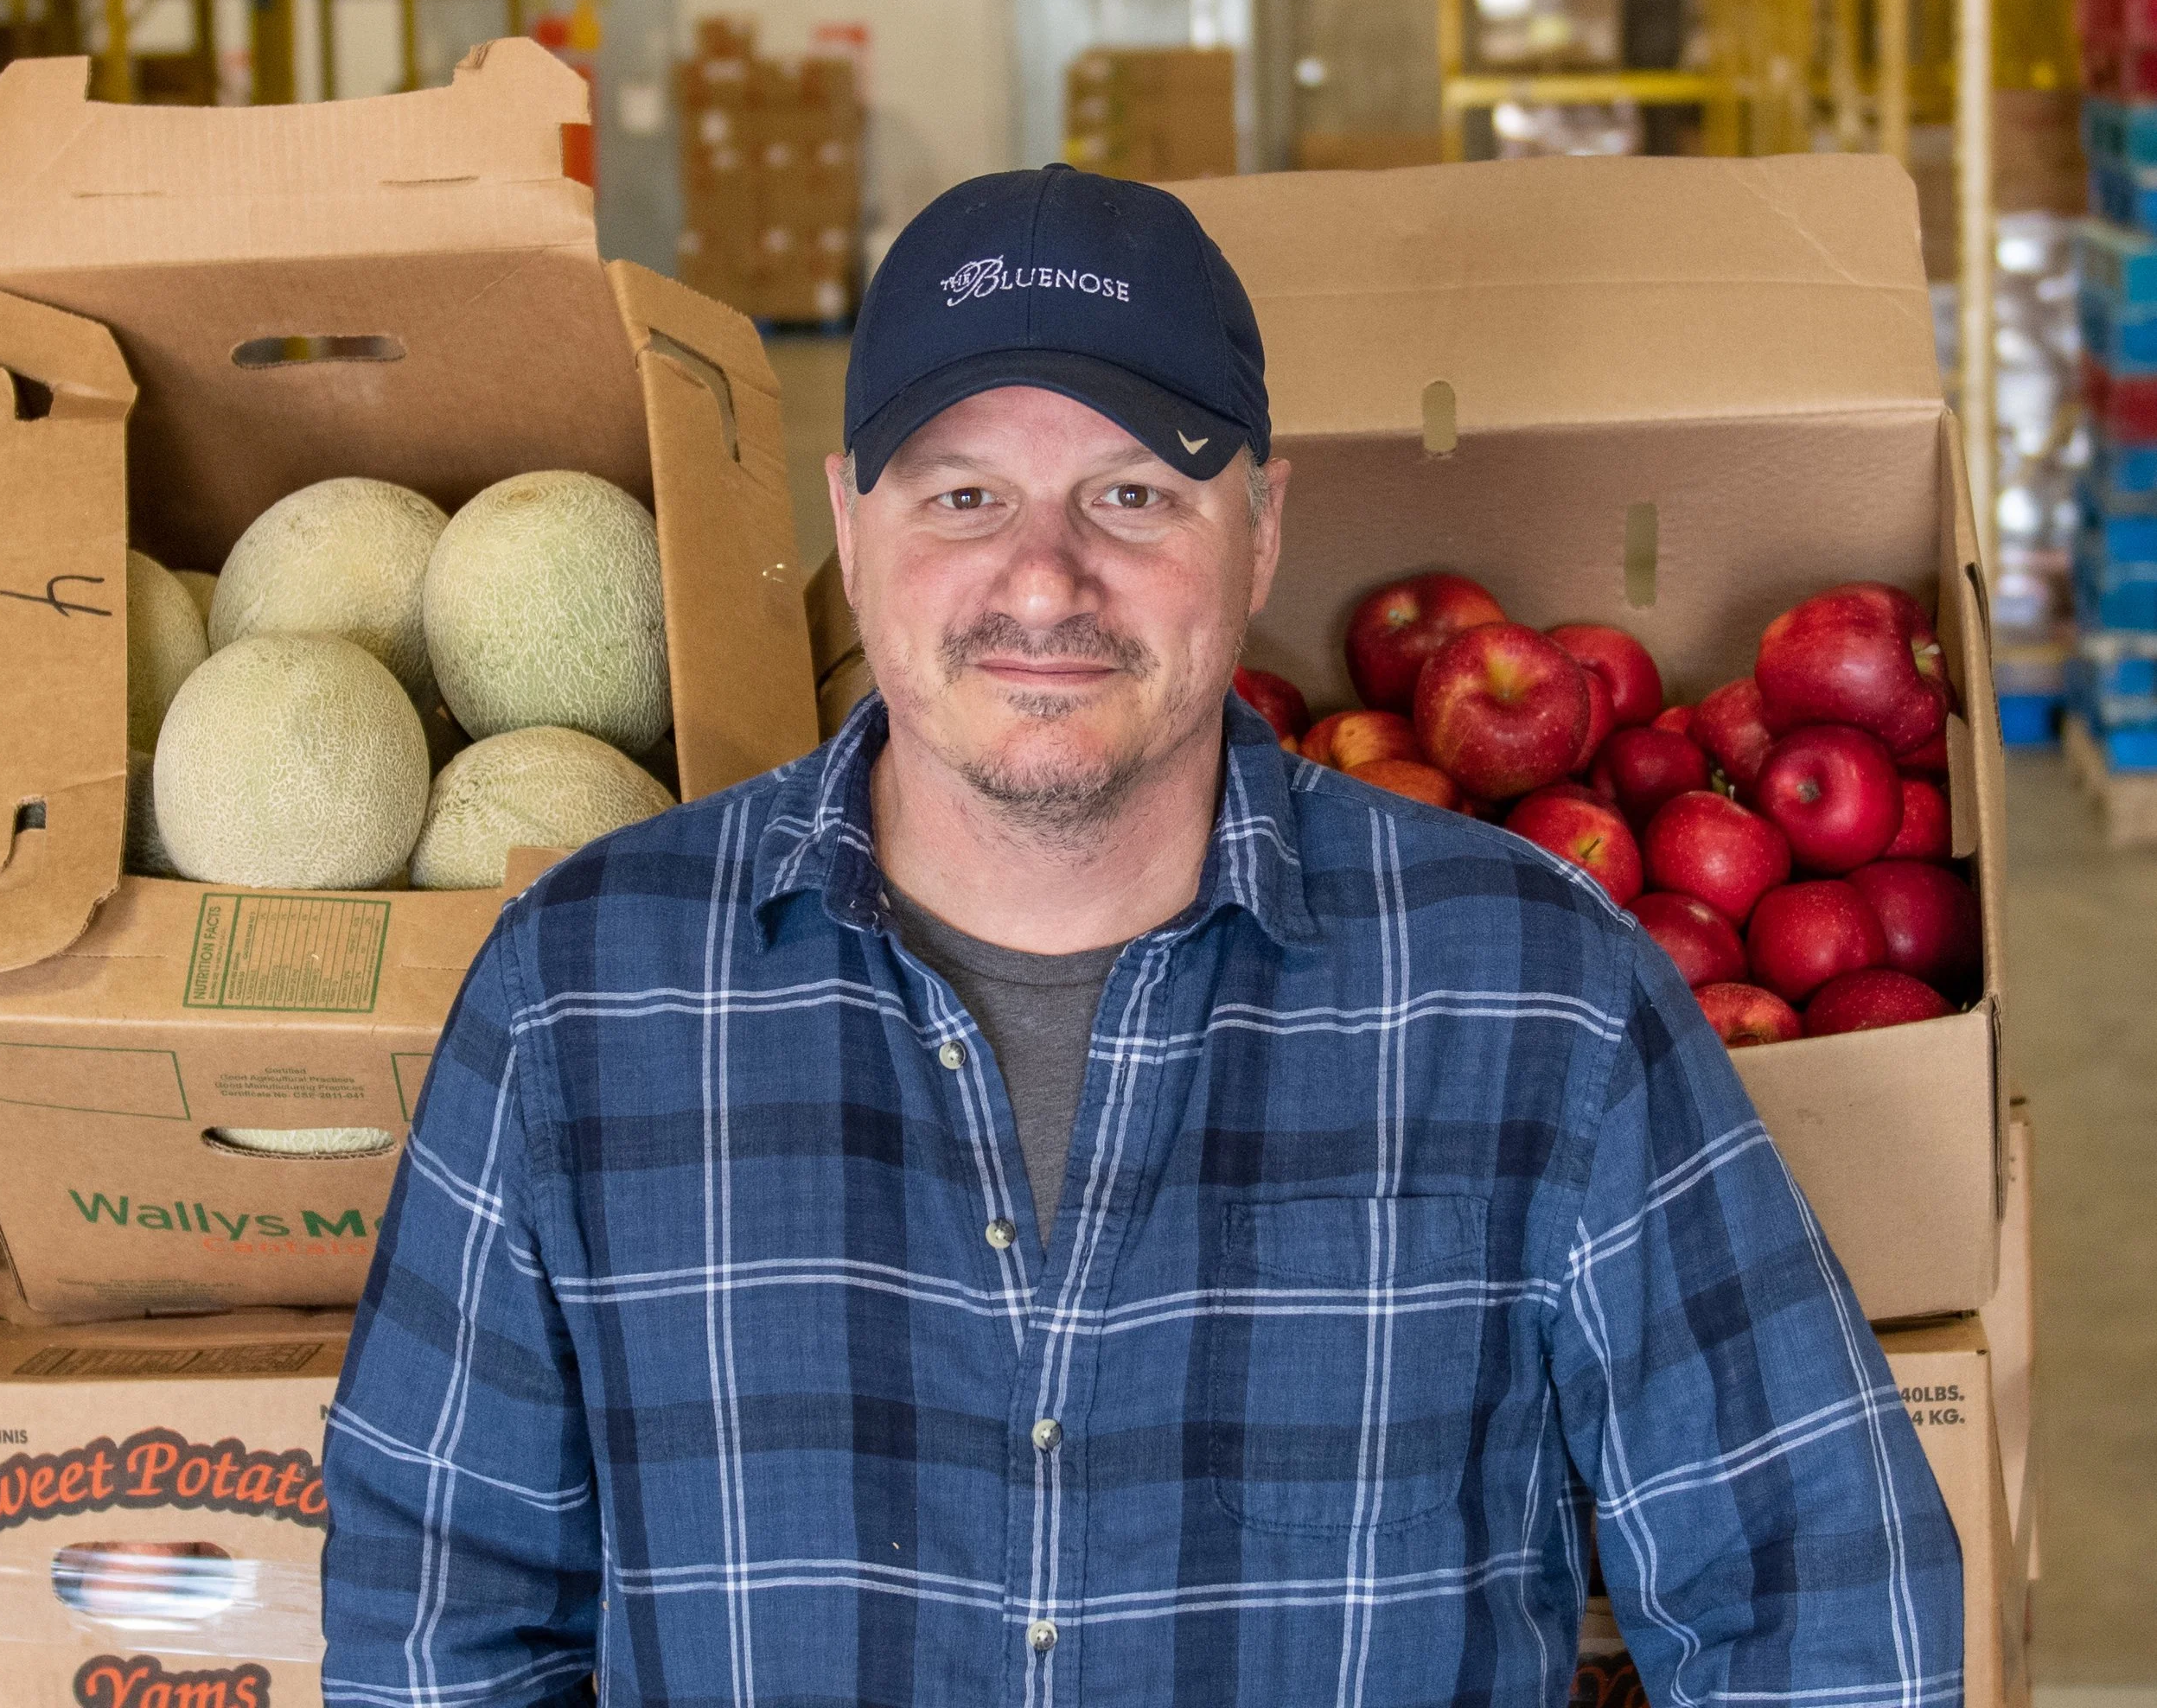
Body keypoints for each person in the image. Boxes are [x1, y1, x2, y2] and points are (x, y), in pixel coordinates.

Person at [321, 165, 1962, 1707]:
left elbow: (1825, 1596)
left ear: (1258, 532)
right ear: (851, 521)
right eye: (963, 494)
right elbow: (436, 1641)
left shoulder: (1534, 993)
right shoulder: (582, 999)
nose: (1044, 581)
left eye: (1132, 491)